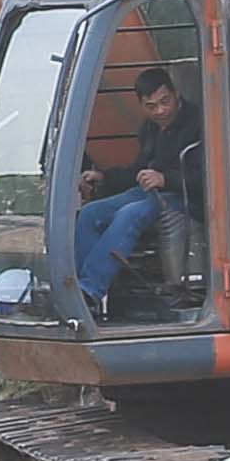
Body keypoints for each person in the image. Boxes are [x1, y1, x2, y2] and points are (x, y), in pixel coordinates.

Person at [64, 59, 205, 315]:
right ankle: (81, 290)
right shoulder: (150, 129)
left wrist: (165, 179)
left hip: (186, 196)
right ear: (141, 105)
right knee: (90, 213)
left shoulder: (200, 124)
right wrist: (103, 177)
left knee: (130, 213)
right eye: (151, 106)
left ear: (176, 94)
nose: (160, 111)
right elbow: (136, 172)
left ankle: (91, 290)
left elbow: (209, 175)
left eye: (165, 102)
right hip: (150, 193)